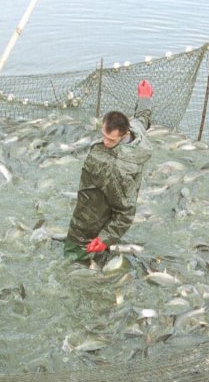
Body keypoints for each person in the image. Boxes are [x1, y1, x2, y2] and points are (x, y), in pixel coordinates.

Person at [63, 80, 154, 261]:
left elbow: (126, 212)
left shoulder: (114, 166)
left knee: (73, 257)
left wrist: (104, 239)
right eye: (104, 136)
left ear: (124, 134)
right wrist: (145, 98)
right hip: (111, 202)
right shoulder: (136, 132)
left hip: (91, 218)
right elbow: (142, 118)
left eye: (111, 140)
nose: (105, 143)